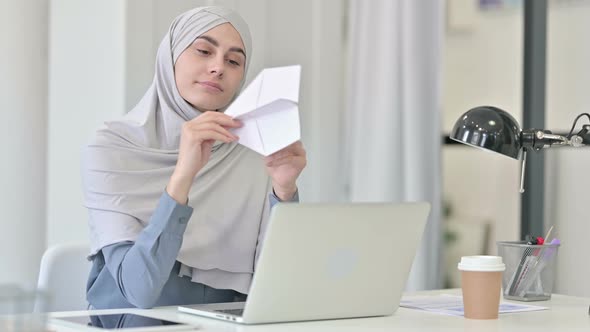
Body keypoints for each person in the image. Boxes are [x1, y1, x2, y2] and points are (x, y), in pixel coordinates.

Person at [81, 6, 306, 310]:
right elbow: (140, 292)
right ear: (170, 56)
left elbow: (277, 287)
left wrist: (284, 191)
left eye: (233, 60)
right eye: (203, 50)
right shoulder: (112, 149)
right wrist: (182, 177)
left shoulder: (251, 148)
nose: (218, 68)